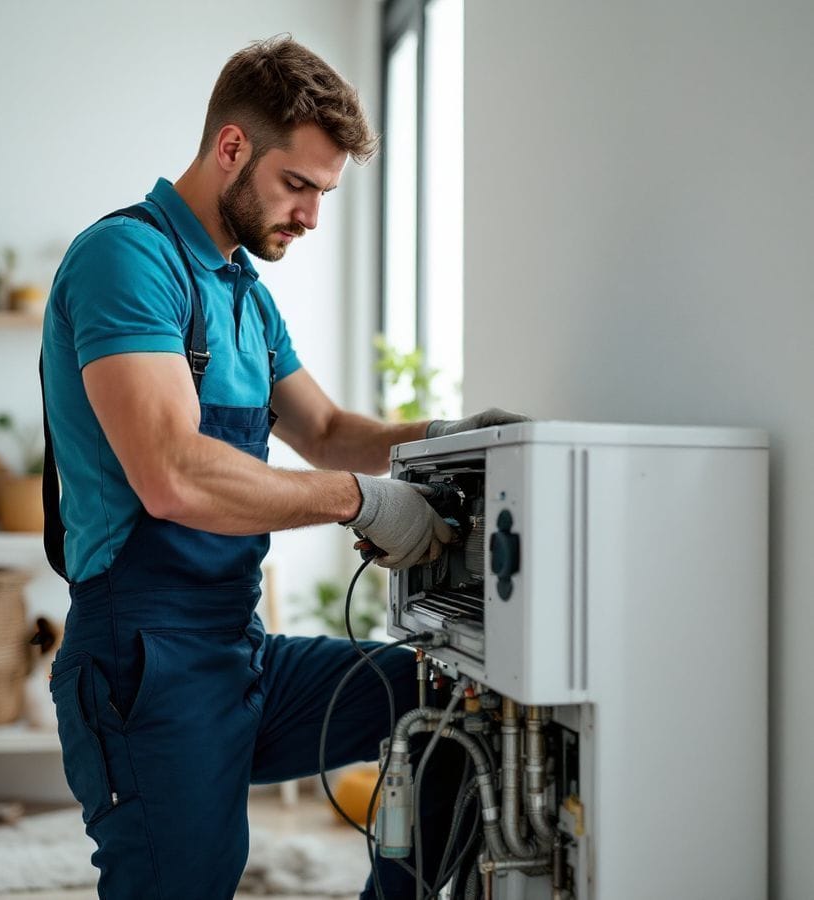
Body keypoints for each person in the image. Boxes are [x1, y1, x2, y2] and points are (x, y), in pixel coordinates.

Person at [41, 35, 525, 899]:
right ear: (231, 147)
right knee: (189, 880)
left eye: (323, 194)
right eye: (296, 185)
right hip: (143, 659)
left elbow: (332, 429)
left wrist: (451, 433)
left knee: (449, 708)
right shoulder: (128, 260)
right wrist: (361, 504)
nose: (308, 215)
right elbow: (174, 476)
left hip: (239, 649)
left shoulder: (244, 295)